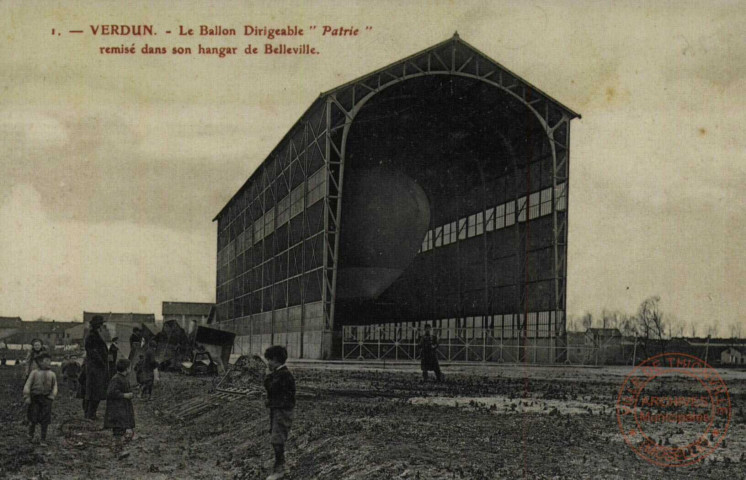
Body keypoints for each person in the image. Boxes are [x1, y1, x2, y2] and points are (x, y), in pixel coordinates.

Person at [262, 345, 296, 480]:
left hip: (282, 411)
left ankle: (279, 469)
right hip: (278, 409)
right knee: (275, 437)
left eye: (269, 360)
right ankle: (279, 466)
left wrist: (267, 376)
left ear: (275, 360)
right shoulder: (281, 374)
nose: (268, 363)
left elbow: (271, 388)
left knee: (277, 438)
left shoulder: (283, 375)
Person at [23, 352, 57, 445]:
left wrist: (52, 396)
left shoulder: (52, 374)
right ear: (39, 362)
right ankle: (30, 435)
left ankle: (43, 439)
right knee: (33, 418)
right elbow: (27, 385)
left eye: (49, 361)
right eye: (45, 361)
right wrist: (27, 396)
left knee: (45, 420)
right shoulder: (34, 373)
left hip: (46, 399)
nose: (48, 363)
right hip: (35, 398)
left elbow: (55, 387)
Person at [104, 358, 135, 457]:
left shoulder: (122, 378)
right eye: (130, 367)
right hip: (117, 410)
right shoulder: (116, 378)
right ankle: (118, 451)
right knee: (118, 430)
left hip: (122, 408)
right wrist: (124, 395)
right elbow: (110, 393)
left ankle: (120, 448)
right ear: (127, 368)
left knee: (122, 428)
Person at [84, 315, 109, 420]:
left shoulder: (95, 334)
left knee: (94, 391)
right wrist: (101, 361)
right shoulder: (92, 335)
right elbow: (92, 351)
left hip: (96, 366)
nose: (101, 326)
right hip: (95, 366)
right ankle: (90, 414)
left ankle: (90, 413)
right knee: (94, 391)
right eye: (100, 324)